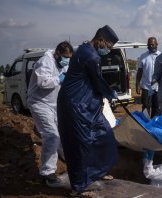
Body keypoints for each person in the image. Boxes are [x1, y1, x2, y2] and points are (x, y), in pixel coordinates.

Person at [57, 25, 119, 195]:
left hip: (84, 103)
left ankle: (95, 173)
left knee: (103, 134)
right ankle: (79, 185)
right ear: (100, 41)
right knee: (80, 144)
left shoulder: (85, 49)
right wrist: (110, 93)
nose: (108, 50)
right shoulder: (91, 56)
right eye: (108, 46)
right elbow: (98, 82)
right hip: (76, 105)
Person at [27, 41, 73, 187]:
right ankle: (47, 172)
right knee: (52, 135)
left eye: (69, 58)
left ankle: (68, 159)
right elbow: (43, 82)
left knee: (63, 132)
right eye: (65, 57)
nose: (67, 60)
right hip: (39, 103)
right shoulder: (45, 61)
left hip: (54, 104)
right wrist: (59, 79)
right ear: (57, 53)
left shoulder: (63, 63)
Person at [136, 37, 161, 117]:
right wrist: (137, 84)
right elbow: (140, 71)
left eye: (153, 44)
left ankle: (154, 124)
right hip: (146, 87)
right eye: (149, 45)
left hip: (158, 87)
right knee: (146, 106)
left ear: (157, 44)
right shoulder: (143, 56)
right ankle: (145, 125)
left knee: (156, 106)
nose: (151, 46)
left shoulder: (161, 56)